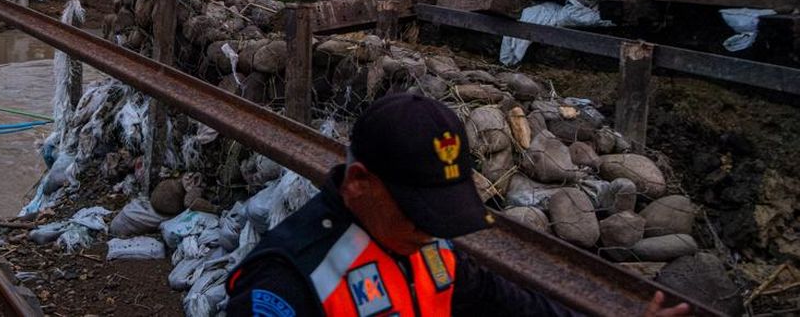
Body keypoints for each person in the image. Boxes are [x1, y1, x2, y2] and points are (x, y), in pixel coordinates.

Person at [225, 94, 693, 317]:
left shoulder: (427, 249)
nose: (431, 228)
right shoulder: (290, 279)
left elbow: (508, 306)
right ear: (359, 184)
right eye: (417, 209)